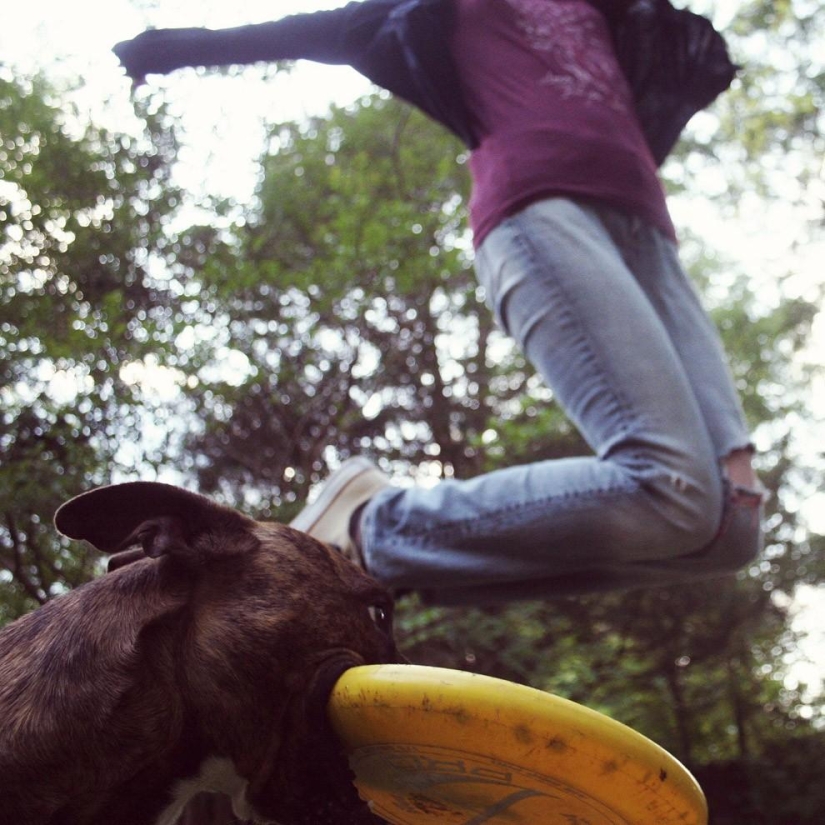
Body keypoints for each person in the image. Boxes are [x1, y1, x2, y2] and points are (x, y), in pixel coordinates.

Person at [114, 0, 763, 605]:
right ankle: (376, 525)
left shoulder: (619, 14)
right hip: (538, 210)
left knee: (733, 529)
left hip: (647, 237)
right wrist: (164, 50)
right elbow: (306, 33)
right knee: (671, 486)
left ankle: (408, 558)